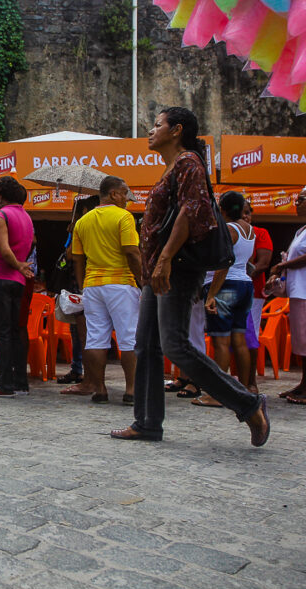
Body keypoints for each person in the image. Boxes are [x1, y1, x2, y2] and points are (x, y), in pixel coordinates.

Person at [110, 106, 269, 447]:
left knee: (175, 345)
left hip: (176, 268)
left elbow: (191, 210)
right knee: (147, 346)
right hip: (157, 270)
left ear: (176, 130)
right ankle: (147, 422)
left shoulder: (188, 163)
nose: (151, 131)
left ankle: (248, 402)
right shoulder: (172, 167)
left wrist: (165, 258)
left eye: (157, 125)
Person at [67, 175, 141, 405]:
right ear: (113, 194)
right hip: (121, 283)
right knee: (128, 337)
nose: (128, 198)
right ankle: (131, 390)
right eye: (125, 193)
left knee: (96, 338)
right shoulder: (124, 217)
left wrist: (82, 286)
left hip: (92, 285)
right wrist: (143, 280)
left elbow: (76, 259)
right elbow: (131, 251)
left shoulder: (82, 221)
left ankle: (100, 389)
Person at [194, 192, 255, 407]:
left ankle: (218, 395)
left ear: (223, 209)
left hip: (225, 286)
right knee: (239, 340)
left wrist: (211, 295)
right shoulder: (249, 230)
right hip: (245, 285)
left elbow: (224, 263)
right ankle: (246, 389)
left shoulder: (229, 230)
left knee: (221, 341)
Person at [0, 177, 34, 397]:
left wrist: (17, 265)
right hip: (18, 282)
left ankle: (5, 384)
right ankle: (21, 382)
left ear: (1, 195)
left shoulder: (1, 215)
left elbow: (4, 249)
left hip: (1, 277)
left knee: (1, 333)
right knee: (15, 331)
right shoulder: (27, 216)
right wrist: (21, 267)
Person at [56, 195, 100, 385]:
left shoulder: (85, 228)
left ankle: (89, 375)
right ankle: (78, 368)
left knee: (84, 332)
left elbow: (71, 254)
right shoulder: (78, 229)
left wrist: (75, 233)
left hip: (84, 285)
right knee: (78, 331)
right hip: (82, 284)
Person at [272, 186, 306, 404]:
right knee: (301, 342)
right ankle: (303, 384)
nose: (297, 203)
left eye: (302, 199)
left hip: (304, 292)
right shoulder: (300, 231)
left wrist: (282, 265)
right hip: (298, 290)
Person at [243, 200, 273, 394]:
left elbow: (263, 264)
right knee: (227, 337)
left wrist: (240, 277)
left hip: (252, 292)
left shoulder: (260, 233)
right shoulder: (227, 233)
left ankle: (250, 381)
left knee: (249, 336)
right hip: (227, 291)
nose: (245, 216)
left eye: (248, 212)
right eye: (241, 213)